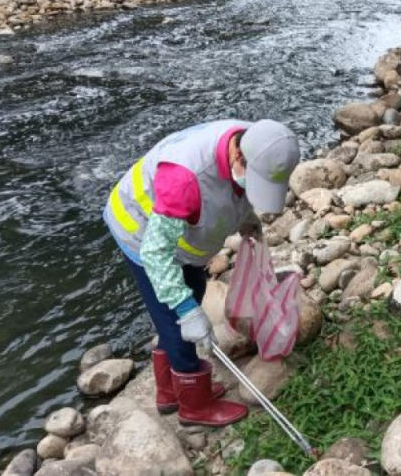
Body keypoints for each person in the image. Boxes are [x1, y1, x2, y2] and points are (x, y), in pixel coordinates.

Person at [104, 119, 300, 426]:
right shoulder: (185, 180)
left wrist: (246, 218)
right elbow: (156, 254)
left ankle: (170, 393)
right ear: (238, 158)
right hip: (138, 231)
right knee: (176, 319)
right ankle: (194, 406)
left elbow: (233, 191)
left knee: (193, 288)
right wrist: (185, 309)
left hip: (177, 234)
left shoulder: (259, 141)